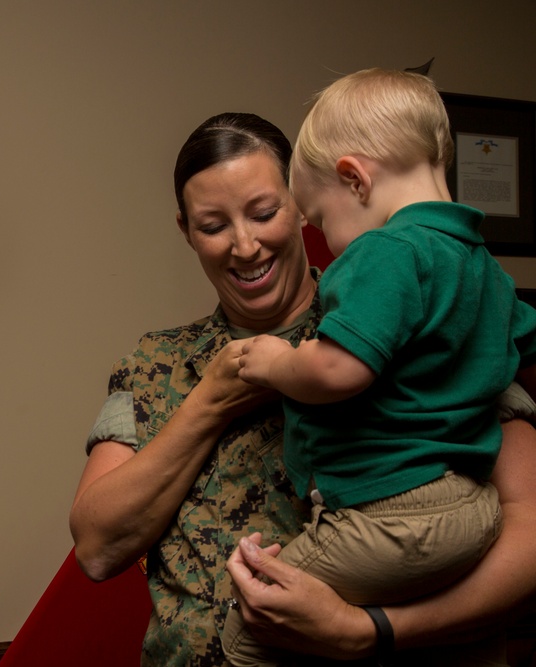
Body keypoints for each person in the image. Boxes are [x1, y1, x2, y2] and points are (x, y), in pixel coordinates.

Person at [68, 111, 536, 666]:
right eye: (214, 226)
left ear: (299, 204)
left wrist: (365, 630)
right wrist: (210, 402)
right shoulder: (155, 363)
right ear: (186, 231)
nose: (245, 246)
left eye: (264, 213)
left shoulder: (407, 311)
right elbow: (97, 548)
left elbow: (530, 529)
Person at [222, 68, 536, 667]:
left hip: (391, 517)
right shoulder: (485, 270)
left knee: (249, 628)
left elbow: (341, 371)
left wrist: (277, 361)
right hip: (474, 511)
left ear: (354, 179)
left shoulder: (386, 251)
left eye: (319, 219)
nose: (328, 241)